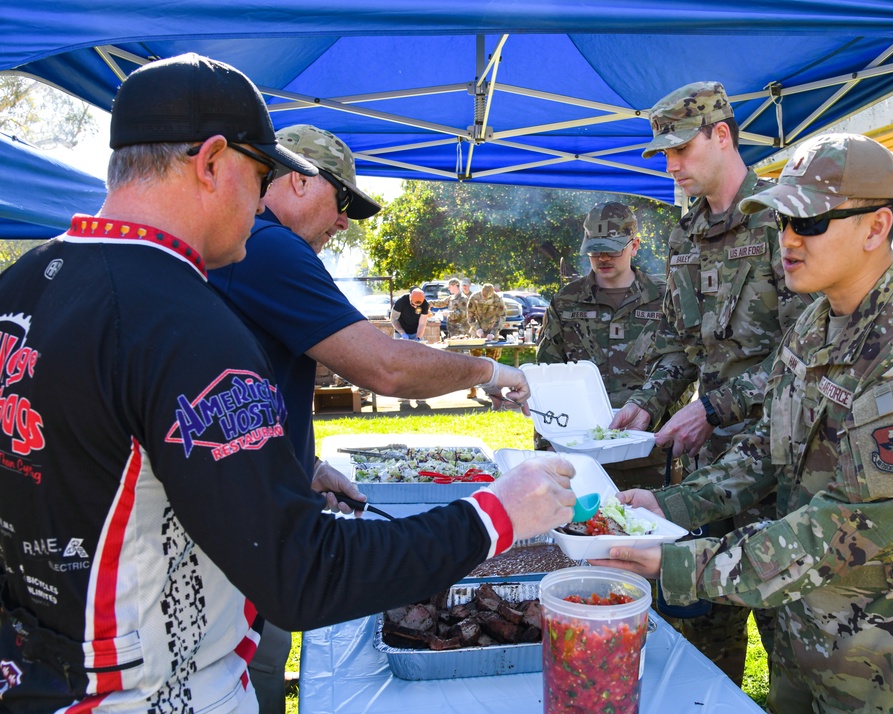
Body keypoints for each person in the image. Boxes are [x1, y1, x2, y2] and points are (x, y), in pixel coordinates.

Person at [0, 53, 577, 712]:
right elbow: (299, 573)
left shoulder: (22, 283)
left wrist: (275, 474)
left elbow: (97, 455)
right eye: (261, 171)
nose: (263, 197)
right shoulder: (189, 322)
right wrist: (496, 512)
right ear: (212, 161)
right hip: (154, 692)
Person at [597, 133, 893, 713]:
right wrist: (671, 508)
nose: (786, 240)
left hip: (887, 669)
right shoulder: (813, 322)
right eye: (782, 221)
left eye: (808, 223)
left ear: (876, 228)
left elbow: (845, 527)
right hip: (805, 639)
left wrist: (677, 563)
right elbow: (766, 448)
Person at [208, 124, 536, 710]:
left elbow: (235, 386)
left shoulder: (251, 246)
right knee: (243, 682)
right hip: (240, 542)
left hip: (247, 506)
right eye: (343, 203)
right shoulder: (270, 245)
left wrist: (302, 466)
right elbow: (386, 367)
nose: (343, 224)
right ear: (302, 181)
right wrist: (488, 370)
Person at [608, 80, 812, 683]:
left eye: (679, 150)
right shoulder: (684, 234)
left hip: (783, 466)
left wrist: (716, 407)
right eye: (663, 154)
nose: (670, 166)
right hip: (708, 469)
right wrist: (648, 404)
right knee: (701, 648)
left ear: (721, 135)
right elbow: (678, 344)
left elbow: (807, 354)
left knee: (792, 649)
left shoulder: (787, 221)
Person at [535, 201, 689, 490]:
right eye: (594, 249)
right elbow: (547, 377)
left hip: (650, 454)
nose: (603, 257)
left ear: (635, 245)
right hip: (579, 455)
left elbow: (684, 368)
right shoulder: (566, 302)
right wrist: (547, 444)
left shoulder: (665, 298)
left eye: (613, 248)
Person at [467, 283, 507, 399]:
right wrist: (477, 329)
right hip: (477, 330)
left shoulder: (498, 299)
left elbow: (502, 317)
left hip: (492, 330)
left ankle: (491, 390)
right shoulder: (474, 297)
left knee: (492, 362)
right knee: (474, 361)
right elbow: (470, 316)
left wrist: (493, 332)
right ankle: (473, 389)